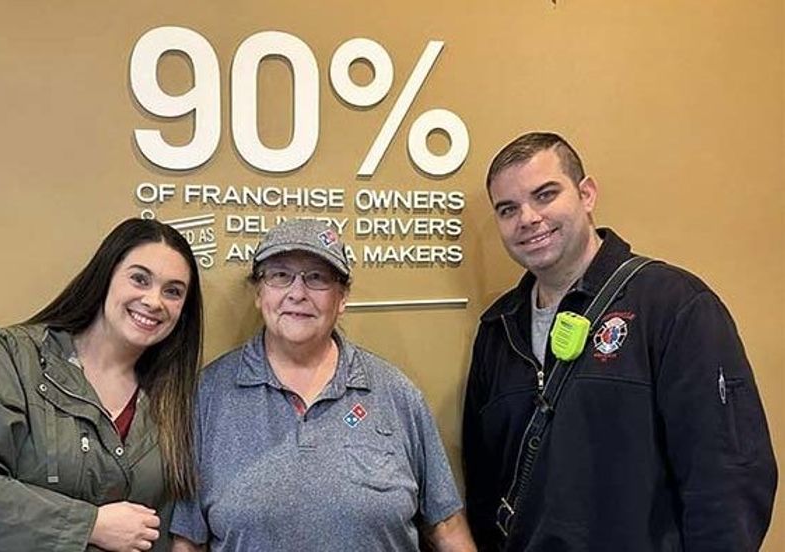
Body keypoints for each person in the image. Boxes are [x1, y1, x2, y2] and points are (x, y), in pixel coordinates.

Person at [461, 132, 777, 551]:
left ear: (586, 194)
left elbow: (728, 477)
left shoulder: (673, 306)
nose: (528, 218)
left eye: (545, 194)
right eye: (508, 209)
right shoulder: (498, 329)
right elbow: (484, 482)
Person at [169, 219, 476, 552]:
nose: (297, 293)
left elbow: (446, 526)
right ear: (259, 293)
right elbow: (189, 541)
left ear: (341, 297)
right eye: (280, 275)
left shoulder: (396, 393)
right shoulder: (209, 395)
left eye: (316, 278)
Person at [0, 218, 203, 552]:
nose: (154, 301)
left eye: (173, 292)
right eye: (139, 279)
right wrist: (90, 525)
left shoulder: (176, 396)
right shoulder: (15, 356)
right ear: (106, 276)